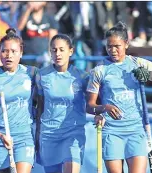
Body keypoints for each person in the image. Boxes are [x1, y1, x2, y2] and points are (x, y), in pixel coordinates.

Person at [86, 21, 152, 173]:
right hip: (111, 132)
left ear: (126, 44)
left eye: (117, 46)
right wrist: (104, 108)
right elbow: (89, 106)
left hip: (136, 131)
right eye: (109, 46)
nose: (113, 50)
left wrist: (150, 75)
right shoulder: (99, 70)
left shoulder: (137, 63)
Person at [0, 28, 37, 173]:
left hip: (24, 137)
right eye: (4, 51)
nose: (9, 55)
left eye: (13, 51)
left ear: (21, 53)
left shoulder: (32, 73)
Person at [35, 34, 88, 173]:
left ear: (71, 51)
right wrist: (37, 135)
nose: (57, 53)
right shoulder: (42, 75)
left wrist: (100, 113)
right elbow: (40, 107)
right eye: (54, 50)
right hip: (49, 133)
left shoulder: (82, 76)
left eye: (61, 49)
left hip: (73, 132)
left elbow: (94, 101)